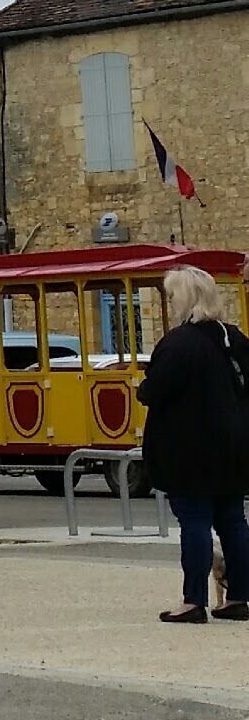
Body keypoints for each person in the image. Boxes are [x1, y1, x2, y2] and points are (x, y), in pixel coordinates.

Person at [138, 264, 249, 625]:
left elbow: (154, 390)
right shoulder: (233, 338)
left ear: (184, 299)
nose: (170, 302)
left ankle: (193, 600)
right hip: (235, 445)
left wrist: (143, 387)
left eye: (172, 296)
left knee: (196, 520)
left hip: (189, 449)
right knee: (233, 520)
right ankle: (239, 596)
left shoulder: (178, 343)